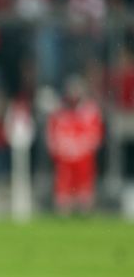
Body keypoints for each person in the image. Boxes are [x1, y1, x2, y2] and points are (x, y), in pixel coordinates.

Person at [46, 75, 103, 215]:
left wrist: (78, 147)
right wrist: (64, 149)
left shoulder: (90, 111)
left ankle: (85, 211)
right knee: (63, 189)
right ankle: (64, 211)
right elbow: (52, 135)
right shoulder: (59, 112)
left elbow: (95, 135)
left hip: (84, 157)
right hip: (64, 158)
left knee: (84, 188)